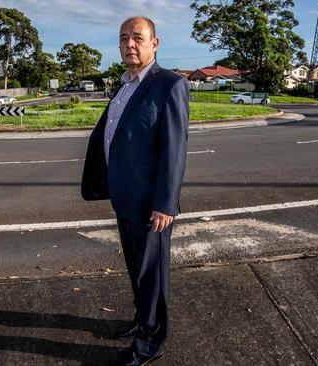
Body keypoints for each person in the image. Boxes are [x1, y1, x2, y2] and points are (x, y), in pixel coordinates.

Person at [81, 16, 189, 366]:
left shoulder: (169, 85)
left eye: (138, 38)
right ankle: (143, 320)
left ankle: (150, 343)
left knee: (152, 275)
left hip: (150, 205)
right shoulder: (124, 84)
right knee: (135, 269)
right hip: (124, 198)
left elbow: (174, 150)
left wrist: (165, 203)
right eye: (124, 38)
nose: (130, 44)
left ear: (154, 43)